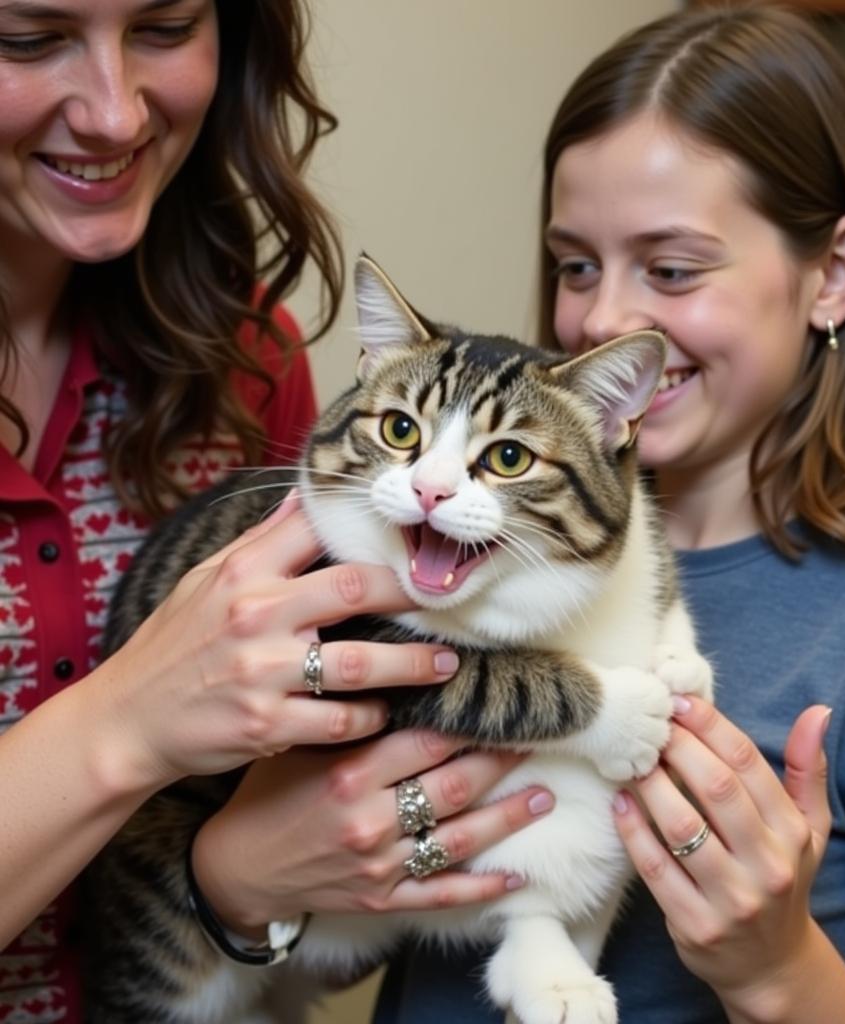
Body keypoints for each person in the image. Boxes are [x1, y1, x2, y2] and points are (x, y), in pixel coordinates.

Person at [370, 4, 845, 1022]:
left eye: (671, 269)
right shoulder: (454, 551)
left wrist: (777, 968)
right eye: (575, 264)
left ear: (831, 277)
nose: (601, 319)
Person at [0, 2, 549, 1021]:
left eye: (164, 27)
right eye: (28, 39)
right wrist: (130, 724)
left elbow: (311, 930)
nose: (117, 115)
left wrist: (246, 889)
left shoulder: (245, 355)